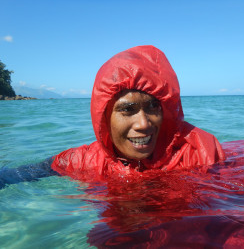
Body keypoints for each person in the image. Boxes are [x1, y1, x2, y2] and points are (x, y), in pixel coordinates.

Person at [0, 45, 225, 188]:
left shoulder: (198, 151)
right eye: (127, 110)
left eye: (153, 107)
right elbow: (23, 173)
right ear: (104, 117)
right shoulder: (85, 161)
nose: (144, 124)